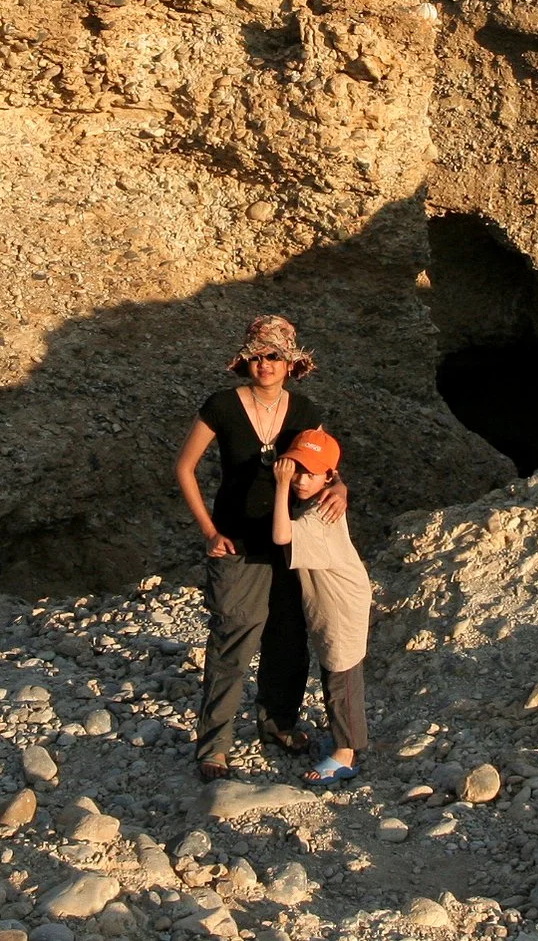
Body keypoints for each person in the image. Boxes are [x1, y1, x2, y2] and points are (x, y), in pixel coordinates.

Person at [173, 315, 348, 781]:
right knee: (234, 637)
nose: (264, 364)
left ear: (291, 363)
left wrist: (342, 489)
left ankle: (279, 727)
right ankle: (214, 748)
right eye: (256, 355)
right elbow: (185, 468)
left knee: (288, 639)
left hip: (292, 540)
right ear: (245, 360)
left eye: (274, 356)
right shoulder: (222, 406)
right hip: (236, 542)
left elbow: (325, 464)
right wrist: (209, 531)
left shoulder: (306, 412)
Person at [271, 428, 370, 786]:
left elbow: (282, 535)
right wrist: (336, 482)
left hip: (340, 603)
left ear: (327, 476)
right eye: (296, 470)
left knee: (340, 674)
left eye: (310, 474)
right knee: (338, 671)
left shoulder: (321, 514)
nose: (300, 480)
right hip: (339, 597)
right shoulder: (326, 497)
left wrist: (281, 485)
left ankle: (346, 754)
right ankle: (346, 739)